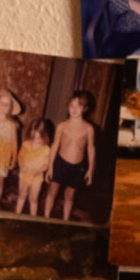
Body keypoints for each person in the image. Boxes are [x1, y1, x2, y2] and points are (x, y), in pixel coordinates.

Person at [48, 89, 98, 221]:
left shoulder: (89, 128)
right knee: (52, 192)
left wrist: (90, 170)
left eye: (78, 106)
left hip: (77, 167)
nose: (74, 109)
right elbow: (54, 146)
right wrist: (50, 166)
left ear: (85, 108)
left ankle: (65, 221)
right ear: (68, 107)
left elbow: (91, 149)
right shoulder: (62, 126)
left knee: (69, 195)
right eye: (71, 106)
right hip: (60, 163)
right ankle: (45, 218)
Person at [14, 116, 55, 216]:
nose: (36, 135)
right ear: (30, 131)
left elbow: (47, 164)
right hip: (24, 174)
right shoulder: (25, 144)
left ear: (44, 134)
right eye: (33, 131)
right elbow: (20, 157)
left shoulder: (46, 149)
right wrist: (21, 166)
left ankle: (33, 218)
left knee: (33, 199)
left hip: (37, 177)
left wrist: (41, 170)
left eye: (39, 133)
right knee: (21, 195)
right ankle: (16, 215)